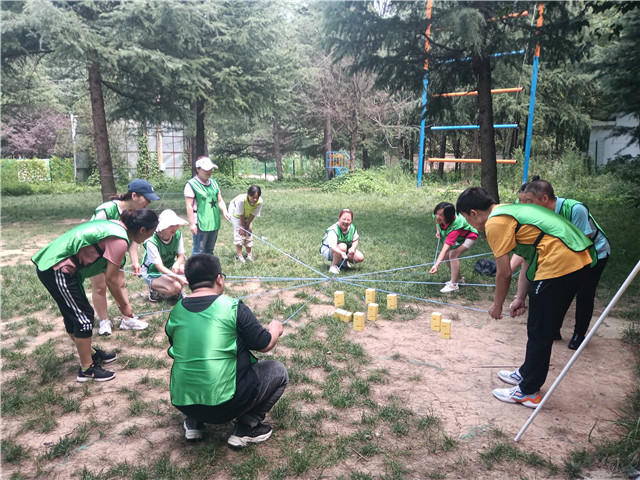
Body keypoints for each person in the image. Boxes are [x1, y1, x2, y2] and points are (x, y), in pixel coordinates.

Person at [456, 187, 595, 408]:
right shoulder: (509, 211)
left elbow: (504, 272)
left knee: (540, 329)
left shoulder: (495, 222)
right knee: (538, 325)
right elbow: (527, 255)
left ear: (473, 212)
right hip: (574, 261)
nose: (470, 224)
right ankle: (526, 373)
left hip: (562, 265)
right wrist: (521, 297)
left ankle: (529, 392)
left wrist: (497, 305)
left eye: (466, 218)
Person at [165, 254, 288, 448]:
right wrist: (275, 330)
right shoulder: (232, 307)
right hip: (227, 404)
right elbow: (264, 344)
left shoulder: (176, 310)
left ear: (188, 282)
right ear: (219, 279)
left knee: (194, 362)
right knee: (278, 371)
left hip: (183, 401)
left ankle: (193, 421)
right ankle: (246, 427)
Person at [32, 209, 159, 382]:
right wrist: (124, 306)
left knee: (75, 315)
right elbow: (111, 280)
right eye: (150, 233)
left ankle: (90, 354)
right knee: (84, 318)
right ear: (142, 230)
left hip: (60, 268)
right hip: (57, 268)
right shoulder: (119, 241)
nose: (149, 238)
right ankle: (86, 370)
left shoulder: (116, 227)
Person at [520, 177, 611, 350]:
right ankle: (554, 329)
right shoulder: (540, 214)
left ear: (545, 198)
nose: (528, 207)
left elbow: (581, 244)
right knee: (561, 292)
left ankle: (579, 334)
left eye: (531, 201)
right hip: (567, 255)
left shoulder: (576, 209)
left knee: (584, 292)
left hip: (593, 253)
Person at [91, 179, 158, 335]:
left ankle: (127, 320)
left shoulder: (134, 214)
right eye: (146, 198)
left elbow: (133, 238)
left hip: (116, 255)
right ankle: (104, 321)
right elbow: (93, 235)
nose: (148, 202)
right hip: (96, 256)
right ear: (134, 195)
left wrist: (135, 261)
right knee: (100, 287)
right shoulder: (105, 210)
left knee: (120, 284)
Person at [184, 156, 230, 256]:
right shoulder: (191, 184)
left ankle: (208, 270)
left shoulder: (214, 183)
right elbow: (189, 205)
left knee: (209, 251)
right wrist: (192, 223)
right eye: (206, 170)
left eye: (211, 169)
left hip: (213, 222)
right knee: (198, 251)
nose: (209, 172)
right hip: (200, 223)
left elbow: (219, 200)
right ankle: (195, 271)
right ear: (197, 169)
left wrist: (225, 211)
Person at [429, 202, 478, 293]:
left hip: (470, 235)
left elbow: (445, 249)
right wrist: (438, 231)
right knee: (447, 257)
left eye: (440, 215)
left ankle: (453, 284)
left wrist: (436, 265)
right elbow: (436, 221)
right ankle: (459, 279)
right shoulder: (437, 215)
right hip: (460, 235)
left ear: (448, 217)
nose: (437, 216)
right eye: (436, 213)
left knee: (453, 254)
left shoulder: (455, 227)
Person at [141, 209, 189, 303]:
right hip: (152, 271)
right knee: (176, 286)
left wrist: (177, 264)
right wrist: (178, 277)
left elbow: (180, 256)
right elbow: (159, 267)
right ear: (162, 227)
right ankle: (154, 289)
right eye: (171, 225)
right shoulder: (152, 241)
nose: (175, 228)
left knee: (186, 270)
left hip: (168, 265)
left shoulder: (177, 235)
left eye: (176, 224)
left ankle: (175, 291)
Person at [320, 208, 365, 274]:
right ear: (339, 218)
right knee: (342, 246)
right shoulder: (333, 230)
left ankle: (342, 261)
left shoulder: (352, 228)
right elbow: (332, 247)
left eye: (348, 220)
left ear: (351, 220)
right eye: (344, 219)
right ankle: (333, 266)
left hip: (343, 250)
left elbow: (355, 240)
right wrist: (341, 253)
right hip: (328, 250)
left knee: (360, 257)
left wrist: (353, 248)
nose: (346, 222)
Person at [228, 185, 263, 263]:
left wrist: (248, 225)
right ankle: (239, 256)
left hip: (247, 215)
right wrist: (243, 226)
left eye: (256, 197)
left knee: (248, 233)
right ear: (248, 194)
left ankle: (249, 254)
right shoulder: (241, 200)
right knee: (240, 233)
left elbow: (253, 214)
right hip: (236, 214)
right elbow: (240, 213)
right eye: (253, 197)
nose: (255, 199)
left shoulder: (259, 201)